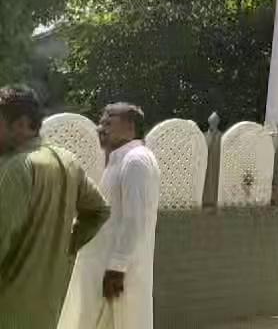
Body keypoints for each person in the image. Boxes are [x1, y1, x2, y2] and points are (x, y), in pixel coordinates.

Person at [0, 85, 110, 329]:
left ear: (21, 123)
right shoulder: (67, 160)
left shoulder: (18, 168)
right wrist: (69, 246)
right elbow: (100, 210)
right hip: (48, 308)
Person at [60, 104, 161, 329]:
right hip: (101, 267)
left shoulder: (136, 161)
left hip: (116, 274)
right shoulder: (120, 159)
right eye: (100, 122)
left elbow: (135, 219)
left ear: (130, 126)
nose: (100, 127)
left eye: (108, 122)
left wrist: (117, 268)